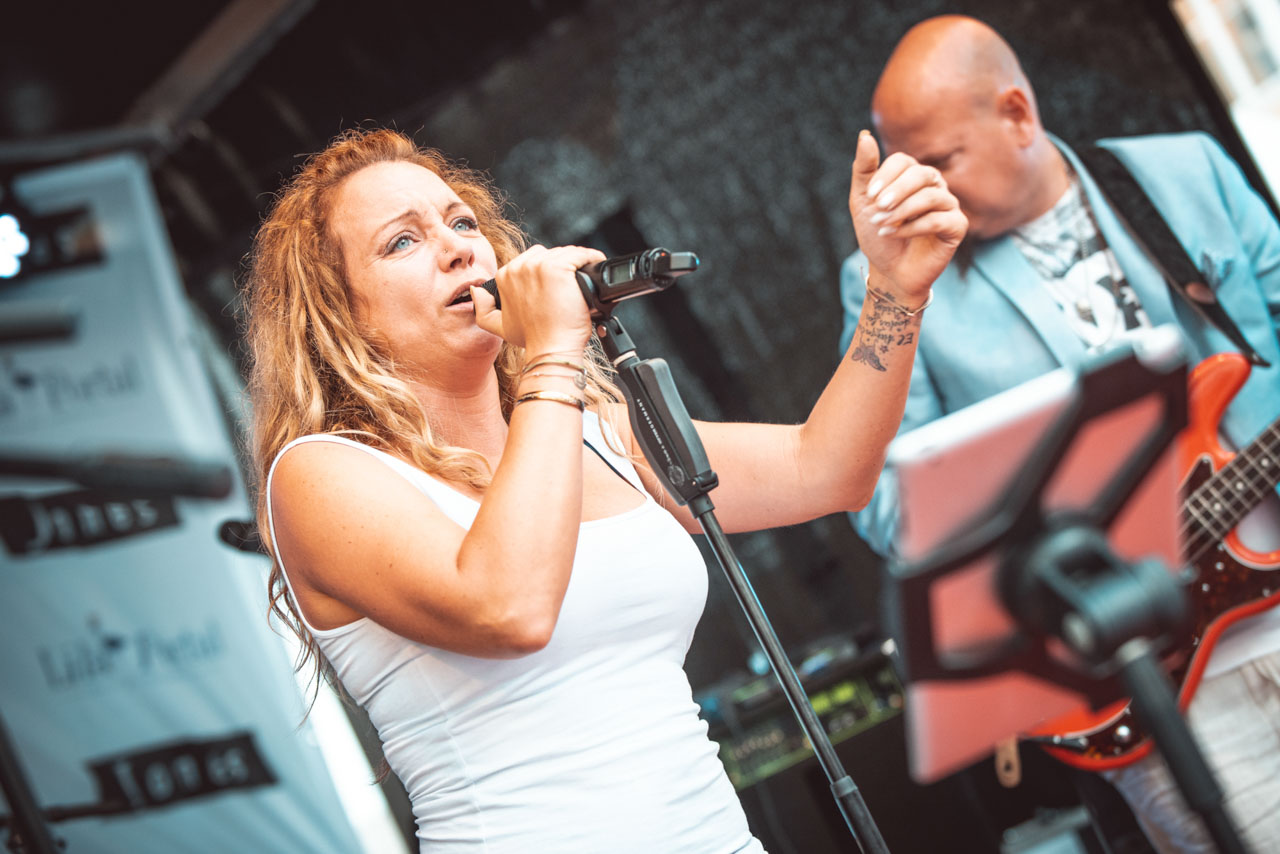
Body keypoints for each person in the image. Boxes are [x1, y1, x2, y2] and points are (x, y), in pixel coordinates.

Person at [243, 126, 963, 852]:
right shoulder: (320, 475)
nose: (458, 249)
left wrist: (894, 292)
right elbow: (509, 609)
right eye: (402, 241)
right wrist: (554, 351)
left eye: (461, 222)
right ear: (335, 313)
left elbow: (828, 470)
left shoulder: (592, 429)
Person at [839, 15, 1280, 854]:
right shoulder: (889, 281)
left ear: (1017, 114)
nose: (921, 192)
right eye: (906, 168)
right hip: (1143, 686)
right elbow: (879, 498)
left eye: (939, 161)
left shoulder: (1185, 172)